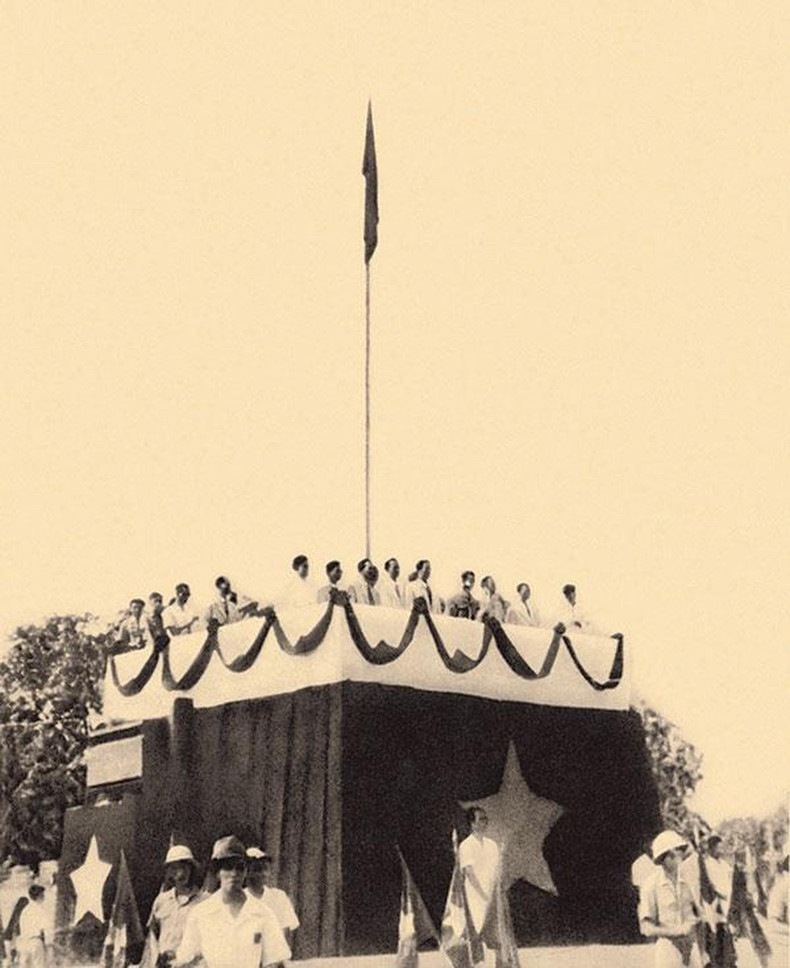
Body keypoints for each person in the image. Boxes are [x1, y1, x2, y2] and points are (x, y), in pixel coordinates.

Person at [176, 836, 289, 968]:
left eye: (240, 868)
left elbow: (276, 961)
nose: (234, 873)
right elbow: (185, 961)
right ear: (217, 872)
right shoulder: (201, 913)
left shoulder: (262, 913)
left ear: (246, 872)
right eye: (228, 867)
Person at [639, 830, 701, 968]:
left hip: (691, 947)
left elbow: (698, 914)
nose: (678, 856)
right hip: (668, 951)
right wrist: (675, 932)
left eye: (680, 852)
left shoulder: (688, 880)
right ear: (663, 858)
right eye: (674, 853)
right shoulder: (651, 885)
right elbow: (646, 928)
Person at [144, 845, 205, 968]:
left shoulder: (205, 902)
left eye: (184, 867)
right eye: (174, 868)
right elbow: (152, 934)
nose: (180, 873)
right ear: (168, 872)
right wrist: (156, 957)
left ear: (192, 869)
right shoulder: (161, 900)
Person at [459, 806, 500, 961]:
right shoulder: (466, 845)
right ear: (472, 823)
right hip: (475, 897)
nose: (485, 822)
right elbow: (469, 873)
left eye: (486, 819)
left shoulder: (492, 845)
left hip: (493, 895)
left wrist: (495, 893)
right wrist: (483, 894)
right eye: (481, 819)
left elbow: (497, 871)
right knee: (478, 929)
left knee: (494, 932)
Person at [245, 848, 299, 954]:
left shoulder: (278, 897)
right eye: (257, 869)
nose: (263, 874)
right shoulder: (238, 899)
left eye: (266, 869)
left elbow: (284, 930)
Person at [16, 883, 47, 968]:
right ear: (39, 896)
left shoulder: (25, 910)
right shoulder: (40, 909)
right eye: (43, 894)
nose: (44, 896)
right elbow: (44, 928)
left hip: (24, 943)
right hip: (35, 941)